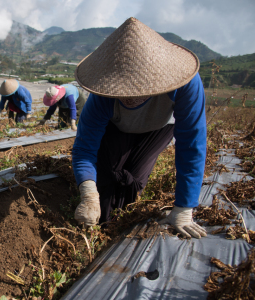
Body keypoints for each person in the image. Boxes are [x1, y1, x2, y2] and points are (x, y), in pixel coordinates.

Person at [72, 17, 207, 239]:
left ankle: (120, 227)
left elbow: (192, 144)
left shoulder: (185, 84)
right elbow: (85, 150)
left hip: (158, 128)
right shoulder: (102, 98)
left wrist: (184, 208)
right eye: (122, 91)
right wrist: (88, 194)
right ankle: (102, 231)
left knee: (133, 179)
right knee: (107, 175)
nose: (130, 98)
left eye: (138, 89)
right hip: (117, 127)